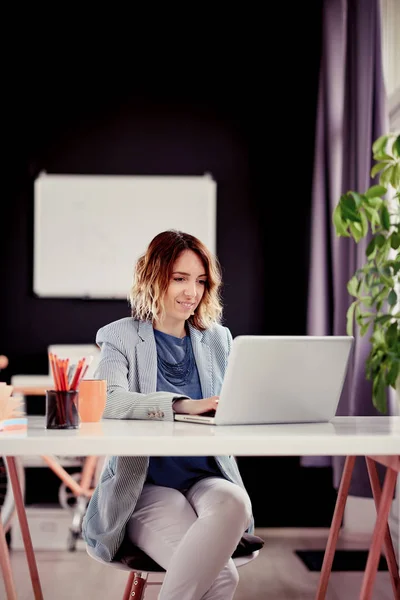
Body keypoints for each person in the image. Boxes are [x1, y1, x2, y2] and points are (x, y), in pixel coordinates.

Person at [82, 230, 255, 600]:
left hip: (205, 477)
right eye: (179, 278)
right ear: (153, 277)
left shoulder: (218, 340)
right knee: (222, 580)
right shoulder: (121, 337)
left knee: (236, 502)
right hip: (146, 486)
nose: (191, 291)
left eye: (200, 280)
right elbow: (107, 400)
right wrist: (179, 405)